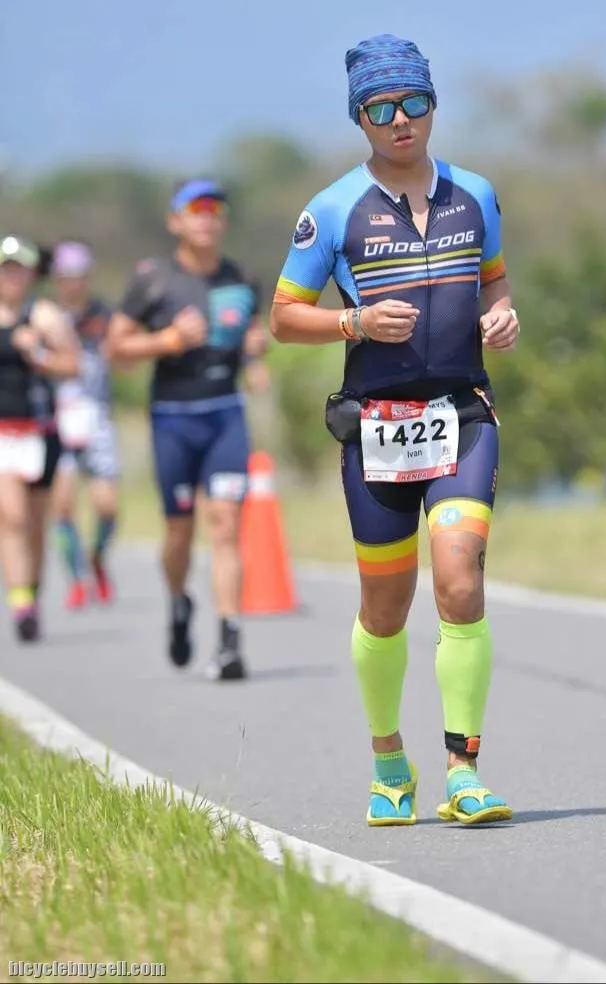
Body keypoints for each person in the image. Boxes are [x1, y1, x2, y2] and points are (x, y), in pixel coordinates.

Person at [270, 35, 520, 826]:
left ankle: (463, 770)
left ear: (432, 105)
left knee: (459, 577)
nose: (401, 119)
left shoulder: (474, 194)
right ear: (360, 119)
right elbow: (283, 317)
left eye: (414, 102)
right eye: (381, 109)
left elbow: (494, 282)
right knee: (384, 607)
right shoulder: (332, 209)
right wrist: (353, 322)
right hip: (375, 427)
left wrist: (501, 315)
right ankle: (389, 761)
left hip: (461, 415)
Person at [106, 178, 269, 681]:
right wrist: (169, 340)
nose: (207, 218)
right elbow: (116, 349)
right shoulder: (154, 280)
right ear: (175, 221)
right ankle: (179, 600)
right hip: (173, 418)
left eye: (215, 210)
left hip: (225, 415)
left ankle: (230, 640)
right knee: (179, 533)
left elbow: (249, 334)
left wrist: (254, 356)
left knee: (225, 524)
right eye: (196, 210)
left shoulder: (241, 277)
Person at [0, 235, 80, 641]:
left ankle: (30, 594)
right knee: (11, 516)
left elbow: (73, 365)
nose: (12, 277)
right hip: (2, 434)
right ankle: (20, 604)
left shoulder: (45, 316)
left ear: (32, 274)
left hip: (39, 432)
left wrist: (40, 354)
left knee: (33, 524)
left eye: (20, 269)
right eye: (6, 268)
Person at [50, 241, 120, 610]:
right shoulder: (46, 316)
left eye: (79, 276)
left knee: (107, 506)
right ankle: (77, 579)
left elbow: (122, 357)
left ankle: (97, 558)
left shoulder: (103, 316)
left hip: (97, 417)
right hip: (58, 417)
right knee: (62, 506)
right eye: (66, 277)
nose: (73, 283)